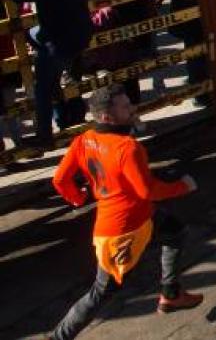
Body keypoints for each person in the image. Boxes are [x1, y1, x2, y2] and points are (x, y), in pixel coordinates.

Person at [47, 85, 201, 339]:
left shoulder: (83, 140)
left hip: (135, 217)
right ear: (108, 117)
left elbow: (60, 180)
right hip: (123, 231)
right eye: (125, 107)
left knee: (175, 231)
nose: (132, 109)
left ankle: (171, 294)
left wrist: (79, 198)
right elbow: (147, 191)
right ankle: (58, 337)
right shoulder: (128, 148)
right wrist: (183, 186)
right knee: (100, 292)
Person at [0, 0, 94, 146]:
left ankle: (44, 136)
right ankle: (65, 77)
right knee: (33, 35)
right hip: (80, 35)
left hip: (58, 43)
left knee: (42, 89)